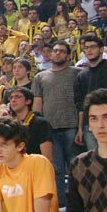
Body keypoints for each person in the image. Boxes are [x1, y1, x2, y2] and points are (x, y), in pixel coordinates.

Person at [31, 41, 80, 197]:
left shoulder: (77, 73)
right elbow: (37, 103)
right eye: (55, 50)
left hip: (72, 125)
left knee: (76, 166)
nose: (57, 53)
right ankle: (59, 206)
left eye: (61, 51)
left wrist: (81, 127)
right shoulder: (41, 76)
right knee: (55, 168)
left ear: (68, 55)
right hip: (49, 129)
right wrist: (37, 127)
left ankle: (78, 202)